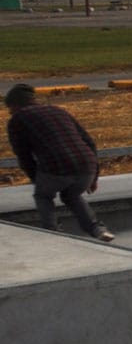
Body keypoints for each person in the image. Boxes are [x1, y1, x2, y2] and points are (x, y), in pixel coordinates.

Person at [5, 84, 114, 242]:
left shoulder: (17, 119)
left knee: (43, 196)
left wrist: (36, 180)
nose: (9, 112)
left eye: (9, 108)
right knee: (72, 195)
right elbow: (89, 142)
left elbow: (24, 155)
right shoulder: (58, 110)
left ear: (15, 104)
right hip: (86, 164)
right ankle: (97, 229)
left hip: (56, 165)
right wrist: (95, 176)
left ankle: (53, 233)